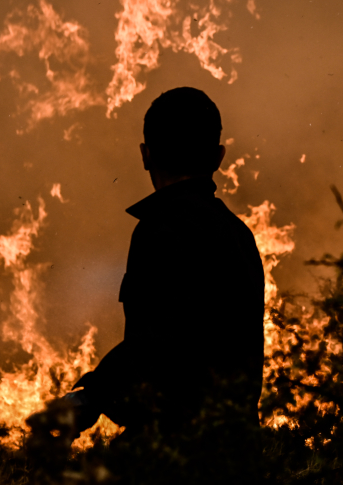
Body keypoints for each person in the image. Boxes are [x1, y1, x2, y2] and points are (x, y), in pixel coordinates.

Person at [58, 87, 265, 449]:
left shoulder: (162, 229)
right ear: (218, 157)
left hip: (176, 450)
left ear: (145, 155)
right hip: (239, 448)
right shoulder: (238, 233)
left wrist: (90, 398)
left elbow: (159, 343)